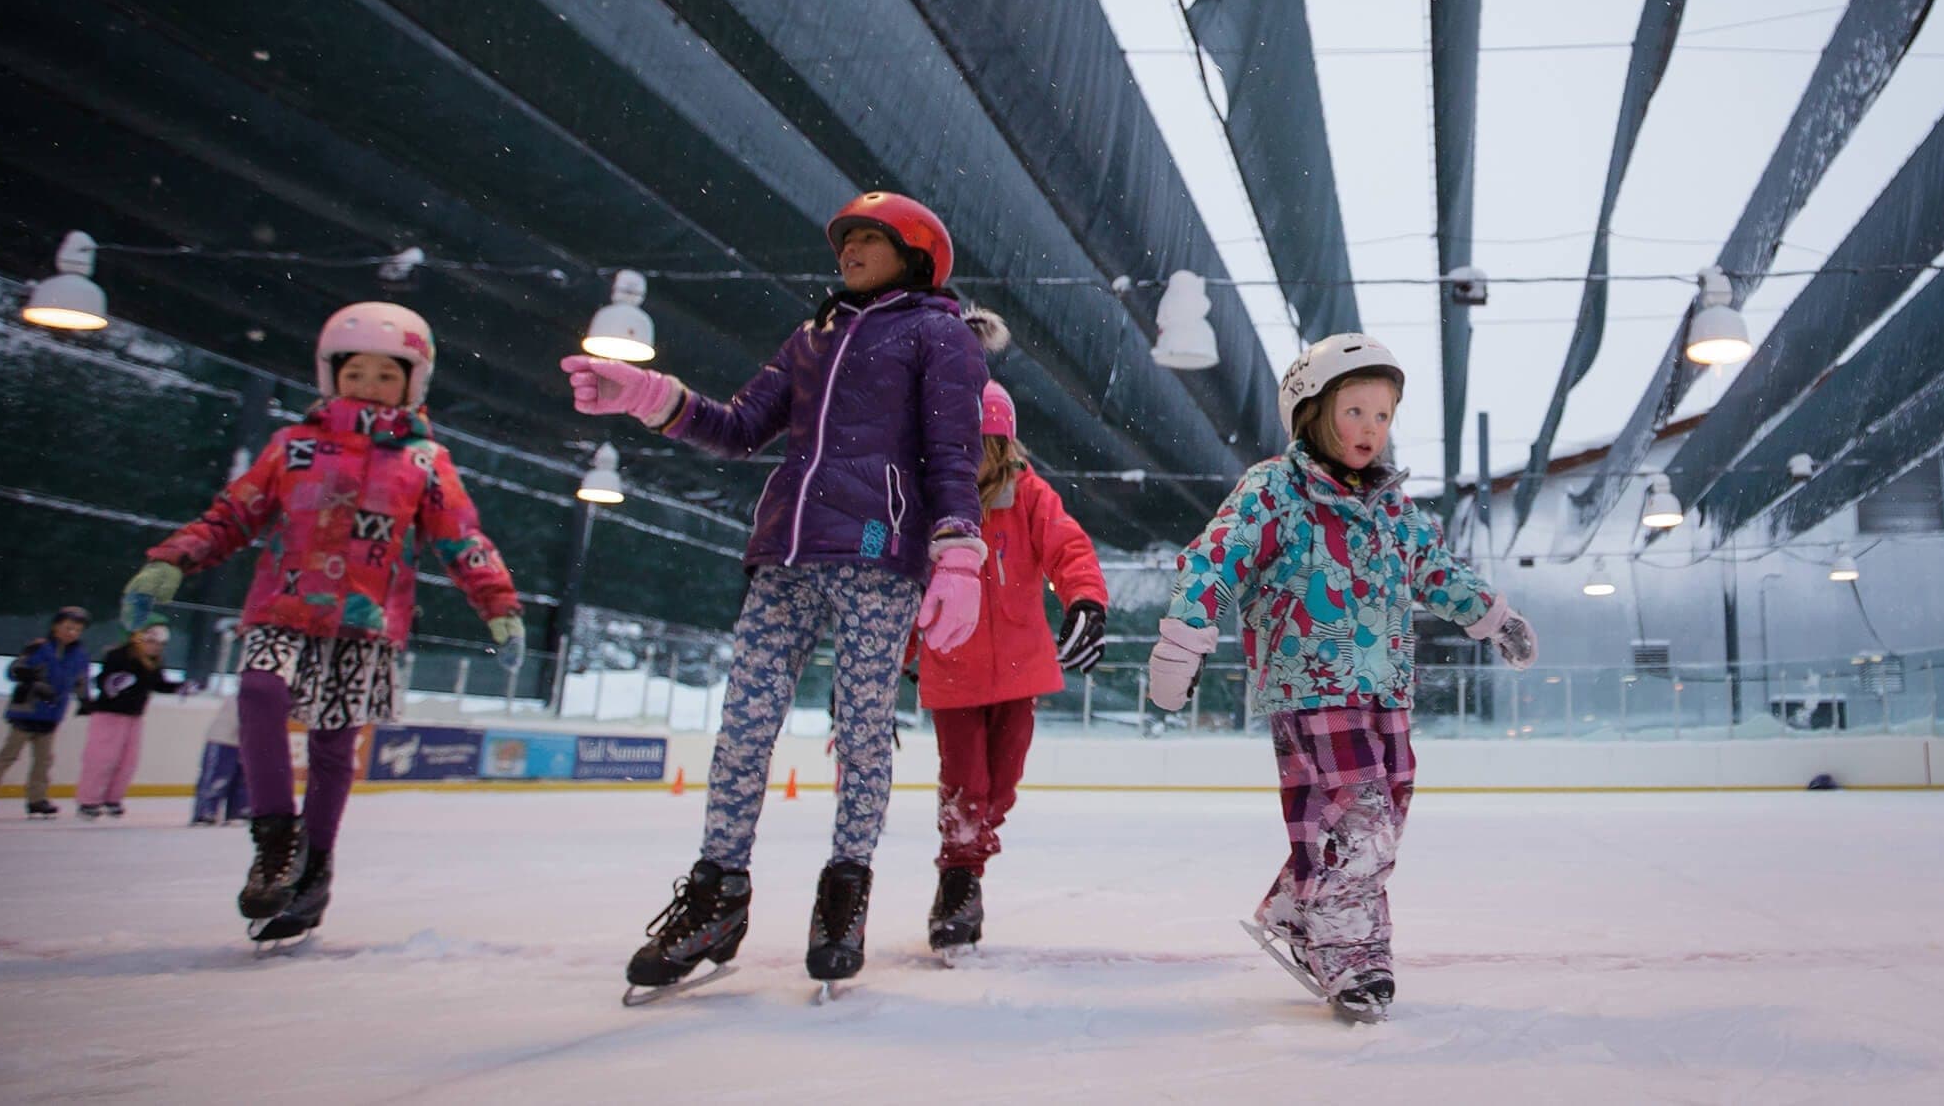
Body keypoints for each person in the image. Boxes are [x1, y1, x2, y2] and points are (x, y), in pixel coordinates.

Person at [565, 191, 990, 996]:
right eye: (846, 238)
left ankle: (844, 893)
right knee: (743, 726)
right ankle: (718, 891)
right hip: (785, 555)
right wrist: (651, 398)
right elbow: (736, 427)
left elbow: (951, 452)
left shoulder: (940, 335)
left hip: (877, 554)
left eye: (870, 237)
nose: (851, 250)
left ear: (917, 253)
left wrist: (959, 550)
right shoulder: (812, 337)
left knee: (863, 729)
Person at [1146, 334, 1538, 1020]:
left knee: (1387, 811)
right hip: (1309, 684)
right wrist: (1183, 639)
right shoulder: (1274, 488)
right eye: (1353, 412)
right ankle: (1354, 956)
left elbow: (1436, 571)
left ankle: (1300, 909)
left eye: (1382, 416)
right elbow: (1214, 558)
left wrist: (1493, 616)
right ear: (1311, 412)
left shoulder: (1392, 505)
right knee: (1362, 823)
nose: (1369, 430)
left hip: (1385, 685)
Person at [118, 303, 524, 941]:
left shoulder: (424, 461)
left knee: (334, 744)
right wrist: (171, 562)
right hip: (283, 605)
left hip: (365, 622)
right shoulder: (293, 447)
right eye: (355, 371)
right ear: (331, 373)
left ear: (411, 383)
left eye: (385, 376)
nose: (368, 385)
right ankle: (275, 839)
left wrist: (498, 605)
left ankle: (314, 869)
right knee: (259, 692)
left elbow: (460, 538)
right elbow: (233, 514)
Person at [910, 363, 1109, 955]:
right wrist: (888, 658)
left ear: (1003, 446)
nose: (969, 459)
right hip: (952, 669)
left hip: (1020, 669)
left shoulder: (1028, 495)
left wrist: (1086, 602)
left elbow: (1068, 548)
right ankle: (959, 879)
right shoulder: (929, 507)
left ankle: (970, 856)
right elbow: (903, 585)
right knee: (966, 780)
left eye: (982, 446)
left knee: (1002, 785)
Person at [0, 606, 94, 818]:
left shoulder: (79, 655)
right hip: (26, 711)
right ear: (55, 627)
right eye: (68, 627)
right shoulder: (39, 648)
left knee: (44, 760)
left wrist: (85, 700)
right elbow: (15, 670)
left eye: (77, 630)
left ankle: (37, 799)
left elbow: (81, 680)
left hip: (51, 714)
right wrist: (32, 679)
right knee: (8, 756)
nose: (72, 633)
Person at [74, 615, 183, 819]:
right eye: (152, 641)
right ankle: (88, 800)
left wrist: (180, 687)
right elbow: (103, 680)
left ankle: (112, 798)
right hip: (109, 714)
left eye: (161, 644)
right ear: (138, 638)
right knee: (102, 759)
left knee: (128, 761)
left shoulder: (153, 662)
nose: (157, 647)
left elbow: (158, 684)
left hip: (133, 717)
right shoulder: (119, 655)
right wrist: (112, 684)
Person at [190, 693, 249, 827]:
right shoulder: (242, 696)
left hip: (246, 742)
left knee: (243, 780)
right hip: (223, 740)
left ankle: (239, 811)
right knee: (217, 778)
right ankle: (205, 812)